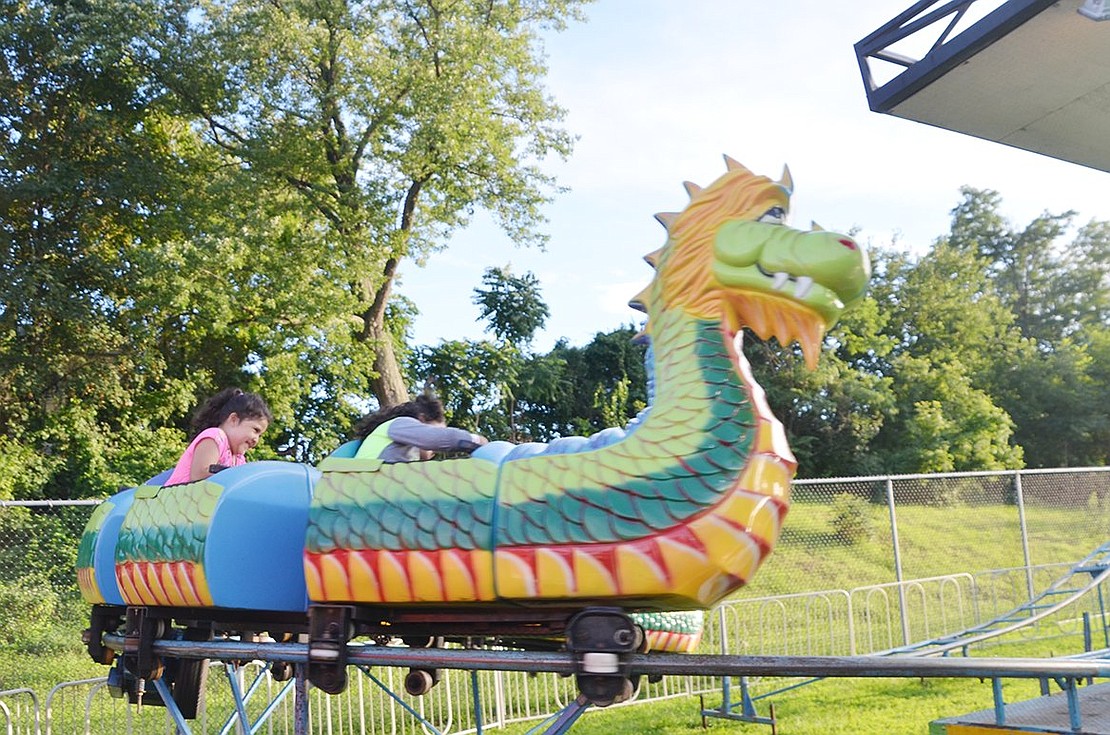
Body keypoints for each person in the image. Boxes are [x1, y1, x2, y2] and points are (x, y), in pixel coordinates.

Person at [164, 388, 272, 485]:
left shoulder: (239, 459)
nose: (256, 440)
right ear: (234, 419)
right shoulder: (215, 437)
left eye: (260, 435)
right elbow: (198, 476)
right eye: (255, 430)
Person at [352, 395, 487, 462]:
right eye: (436, 430)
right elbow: (436, 439)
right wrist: (476, 440)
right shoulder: (400, 423)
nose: (435, 451)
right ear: (422, 420)